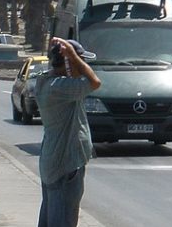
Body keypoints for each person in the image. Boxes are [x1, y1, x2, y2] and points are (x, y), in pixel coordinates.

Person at [37, 37, 102, 227]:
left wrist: (72, 59)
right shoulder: (58, 88)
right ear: (68, 62)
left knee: (52, 218)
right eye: (81, 62)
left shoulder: (50, 83)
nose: (83, 66)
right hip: (65, 164)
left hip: (55, 161)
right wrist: (72, 57)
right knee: (63, 219)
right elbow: (94, 82)